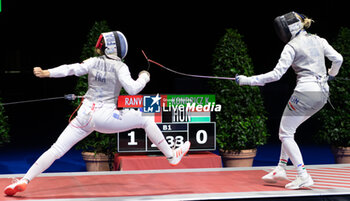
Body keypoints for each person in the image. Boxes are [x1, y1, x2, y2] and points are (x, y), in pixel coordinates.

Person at [4, 30, 191, 196]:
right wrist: (144, 77)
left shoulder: (92, 62)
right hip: (106, 118)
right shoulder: (120, 67)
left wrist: (47, 72)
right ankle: (172, 156)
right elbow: (133, 89)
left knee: (56, 150)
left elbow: (71, 68)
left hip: (84, 116)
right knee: (145, 119)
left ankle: (25, 180)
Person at [236, 12, 343, 189]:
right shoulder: (319, 40)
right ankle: (280, 168)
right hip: (322, 95)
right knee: (289, 131)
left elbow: (276, 75)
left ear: (290, 28)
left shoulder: (291, 47)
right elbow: (338, 59)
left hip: (305, 94)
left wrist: (247, 80)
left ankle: (302, 175)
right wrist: (331, 74)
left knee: (285, 134)